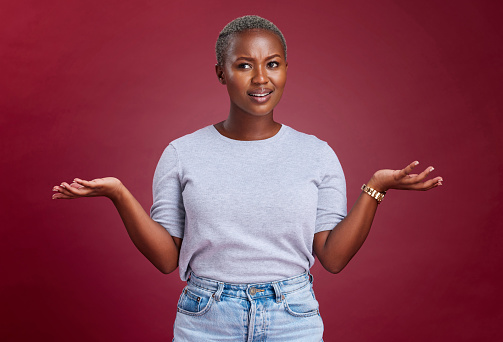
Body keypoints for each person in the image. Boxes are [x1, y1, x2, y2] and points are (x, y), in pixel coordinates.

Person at [52, 15, 442, 342]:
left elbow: (334, 258)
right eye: (244, 65)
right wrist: (119, 194)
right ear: (221, 72)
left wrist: (377, 187)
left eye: (272, 63)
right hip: (205, 318)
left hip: (294, 317)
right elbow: (167, 259)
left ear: (286, 69)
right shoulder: (181, 153)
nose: (261, 78)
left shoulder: (317, 154)